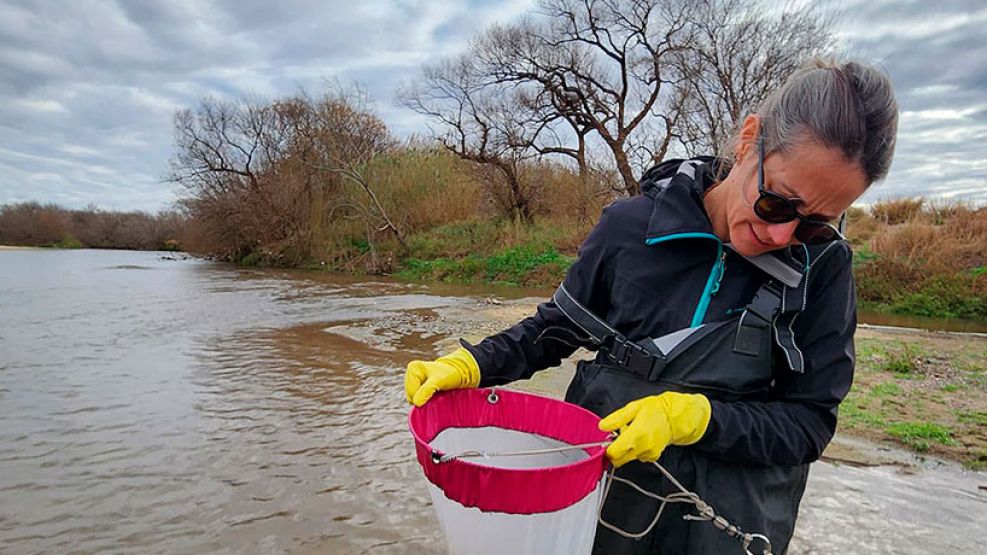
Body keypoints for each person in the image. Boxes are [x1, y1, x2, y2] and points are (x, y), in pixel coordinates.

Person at [405, 57, 898, 554]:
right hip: (608, 509)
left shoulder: (825, 267)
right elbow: (556, 329)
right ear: (750, 139)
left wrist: (698, 418)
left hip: (728, 525)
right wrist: (473, 364)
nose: (780, 234)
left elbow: (808, 424)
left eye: (815, 222)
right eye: (777, 202)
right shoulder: (629, 227)